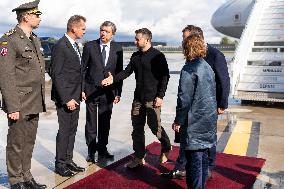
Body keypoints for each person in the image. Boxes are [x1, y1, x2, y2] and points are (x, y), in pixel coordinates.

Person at [161, 25, 230, 179]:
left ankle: (208, 168)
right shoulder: (192, 54)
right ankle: (181, 167)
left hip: (208, 107)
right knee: (187, 138)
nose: (183, 42)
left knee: (207, 139)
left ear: (194, 38)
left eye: (185, 38)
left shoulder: (215, 55)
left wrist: (222, 104)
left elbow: (224, 81)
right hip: (191, 108)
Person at [102, 28, 172, 168]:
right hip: (138, 99)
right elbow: (126, 72)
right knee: (137, 129)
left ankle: (166, 148)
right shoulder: (135, 56)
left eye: (137, 39)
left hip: (153, 100)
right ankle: (139, 156)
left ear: (147, 39)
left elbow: (165, 77)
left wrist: (160, 96)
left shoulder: (157, 56)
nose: (135, 41)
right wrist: (113, 79)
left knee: (155, 128)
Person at [0, 0, 47, 188]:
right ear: (26, 16)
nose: (39, 18)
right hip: (19, 101)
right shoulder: (8, 39)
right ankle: (15, 180)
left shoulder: (34, 38)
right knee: (16, 143)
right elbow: (5, 75)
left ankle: (26, 176)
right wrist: (11, 106)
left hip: (34, 100)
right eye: (37, 15)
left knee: (28, 142)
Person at [176, 33, 217, 189]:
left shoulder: (189, 69)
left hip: (194, 121)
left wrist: (178, 120)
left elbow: (184, 99)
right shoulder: (207, 67)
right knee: (204, 156)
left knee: (194, 160)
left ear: (187, 48)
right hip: (209, 119)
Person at [81, 21, 123, 163]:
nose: (103, 33)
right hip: (91, 91)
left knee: (105, 122)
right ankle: (91, 151)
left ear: (113, 34)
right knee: (91, 123)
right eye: (101, 30)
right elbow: (82, 70)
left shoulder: (118, 48)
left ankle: (102, 149)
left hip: (109, 93)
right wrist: (82, 89)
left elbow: (119, 72)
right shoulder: (89, 46)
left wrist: (118, 92)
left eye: (106, 31)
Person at [50, 15, 86, 177]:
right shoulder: (60, 45)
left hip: (75, 96)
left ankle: (68, 160)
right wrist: (66, 99)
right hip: (66, 98)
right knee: (64, 131)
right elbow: (56, 74)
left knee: (72, 130)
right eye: (83, 28)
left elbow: (76, 72)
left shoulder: (74, 45)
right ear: (74, 28)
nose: (84, 32)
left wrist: (81, 91)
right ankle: (60, 163)